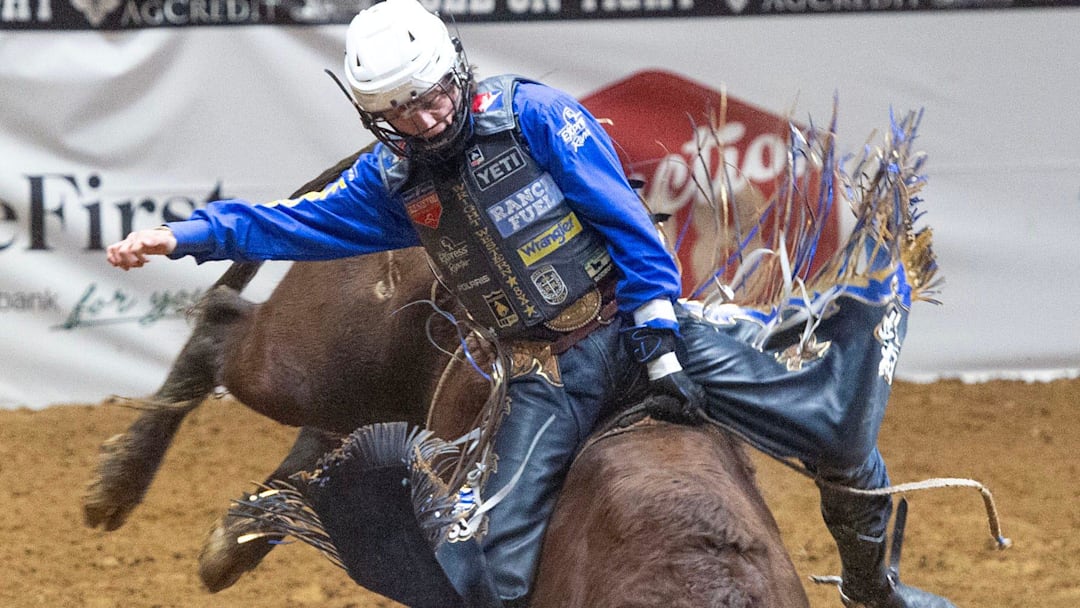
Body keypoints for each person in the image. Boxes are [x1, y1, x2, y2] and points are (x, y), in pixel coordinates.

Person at [106, 1, 957, 607]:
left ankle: (875, 588)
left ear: (456, 70)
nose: (433, 113)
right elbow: (285, 223)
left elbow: (625, 221)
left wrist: (659, 323)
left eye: (438, 90)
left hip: (636, 329)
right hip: (544, 377)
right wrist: (182, 237)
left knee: (840, 425)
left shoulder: (539, 118)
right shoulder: (388, 185)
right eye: (408, 108)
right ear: (379, 118)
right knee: (487, 570)